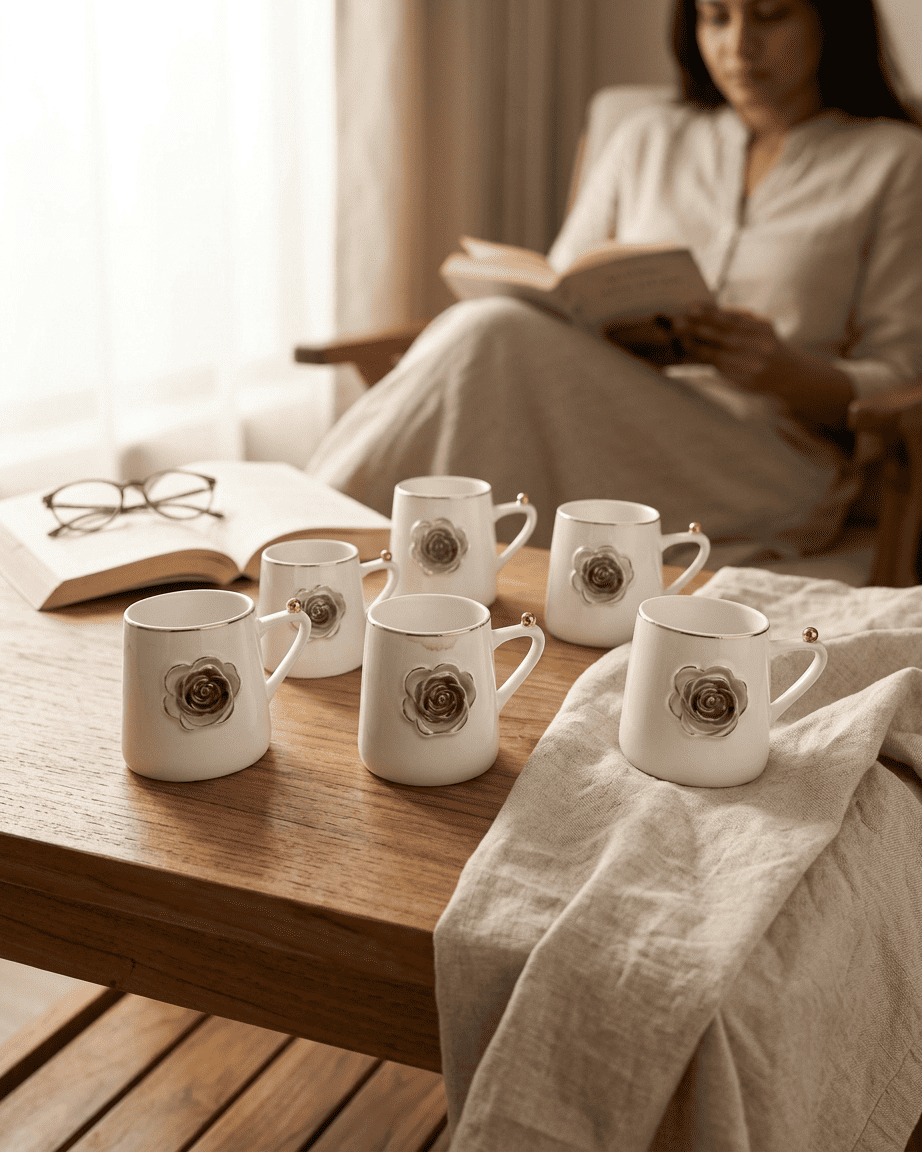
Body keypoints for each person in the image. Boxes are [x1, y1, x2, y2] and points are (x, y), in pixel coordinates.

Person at [309, 0, 922, 563]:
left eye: (768, 16)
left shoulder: (895, 161)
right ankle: (343, 544)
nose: (739, 46)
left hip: (767, 459)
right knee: (494, 330)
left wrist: (783, 369)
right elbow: (560, 294)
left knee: (492, 334)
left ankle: (310, 530)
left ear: (830, 19)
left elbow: (900, 373)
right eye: (716, 17)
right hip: (607, 416)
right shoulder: (647, 139)